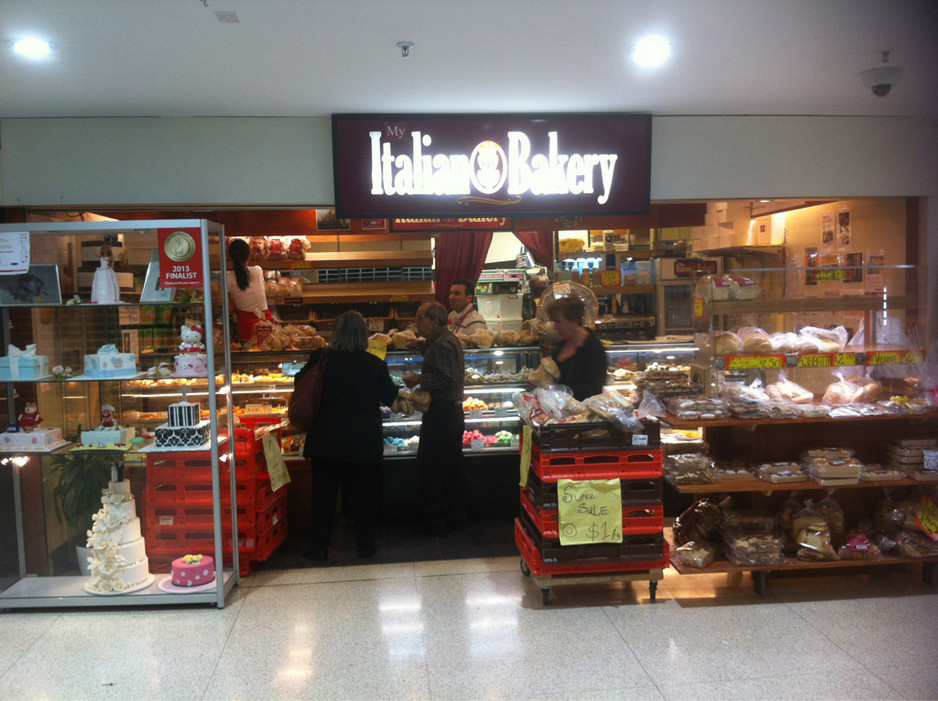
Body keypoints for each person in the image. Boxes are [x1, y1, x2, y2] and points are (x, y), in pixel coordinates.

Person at [300, 311, 400, 560]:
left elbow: (298, 382)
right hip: (363, 442)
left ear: (336, 333)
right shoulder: (374, 364)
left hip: (325, 440)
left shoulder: (320, 357)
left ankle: (319, 548)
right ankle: (365, 546)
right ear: (363, 335)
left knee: (323, 497)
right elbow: (390, 396)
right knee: (364, 497)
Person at [402, 302, 467, 535]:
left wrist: (418, 379)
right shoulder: (441, 341)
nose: (416, 323)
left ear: (435, 321)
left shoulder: (443, 345)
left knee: (433, 467)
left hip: (442, 412)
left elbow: (449, 378)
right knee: (449, 465)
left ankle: (435, 521)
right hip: (448, 413)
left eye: (420, 319)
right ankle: (454, 517)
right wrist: (420, 346)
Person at [545, 296, 607, 400]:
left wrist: (555, 389)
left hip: (583, 412)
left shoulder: (593, 348)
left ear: (574, 320)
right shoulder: (563, 343)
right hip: (561, 408)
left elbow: (594, 389)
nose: (555, 327)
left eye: (558, 321)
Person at [227, 238, 275, 342]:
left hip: (246, 325)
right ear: (249, 255)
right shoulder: (257, 270)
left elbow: (230, 308)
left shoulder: (227, 277)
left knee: (249, 355)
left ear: (230, 257)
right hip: (265, 322)